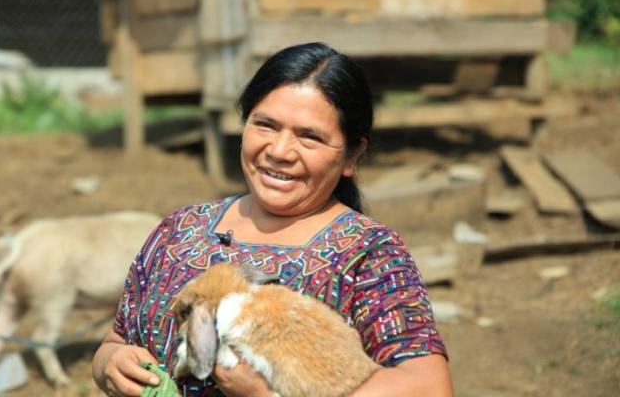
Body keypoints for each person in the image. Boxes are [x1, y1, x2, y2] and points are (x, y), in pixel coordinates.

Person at [92, 42, 453, 397]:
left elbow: (428, 389)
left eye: (309, 137)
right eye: (265, 125)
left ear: (351, 154)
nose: (279, 152)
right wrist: (111, 363)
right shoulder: (179, 229)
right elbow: (117, 338)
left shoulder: (369, 253)